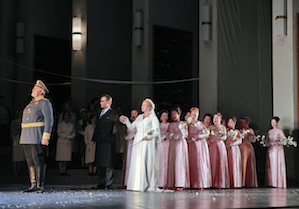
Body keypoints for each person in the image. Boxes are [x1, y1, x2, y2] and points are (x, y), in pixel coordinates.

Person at [119, 98, 161, 192]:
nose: (142, 106)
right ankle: (136, 184)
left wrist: (149, 136)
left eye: (144, 105)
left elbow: (156, 130)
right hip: (138, 139)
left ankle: (147, 184)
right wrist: (125, 120)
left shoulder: (152, 118)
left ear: (149, 107)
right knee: (137, 161)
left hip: (147, 141)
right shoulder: (139, 117)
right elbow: (131, 126)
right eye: (142, 105)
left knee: (146, 161)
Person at [19, 80, 54, 193]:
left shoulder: (45, 103)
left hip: (37, 135)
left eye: (35, 88)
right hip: (26, 136)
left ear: (41, 91)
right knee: (29, 160)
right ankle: (33, 184)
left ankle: (40, 185)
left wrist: (46, 136)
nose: (33, 89)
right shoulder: (31, 103)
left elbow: (49, 120)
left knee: (38, 160)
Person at [91, 94, 119, 189]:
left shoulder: (113, 113)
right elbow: (97, 127)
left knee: (108, 163)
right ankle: (101, 182)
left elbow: (114, 125)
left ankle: (108, 183)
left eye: (103, 101)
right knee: (100, 162)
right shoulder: (100, 112)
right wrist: (93, 139)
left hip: (108, 141)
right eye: (100, 101)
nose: (101, 103)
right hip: (100, 141)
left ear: (108, 102)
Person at [187, 107, 211, 189]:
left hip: (198, 145)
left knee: (198, 162)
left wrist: (197, 136)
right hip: (190, 144)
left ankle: (199, 183)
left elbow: (206, 134)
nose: (193, 116)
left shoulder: (200, 124)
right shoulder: (187, 123)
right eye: (192, 114)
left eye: (195, 114)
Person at [167, 107, 190, 190]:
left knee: (180, 162)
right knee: (173, 161)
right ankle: (173, 182)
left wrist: (181, 130)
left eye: (175, 114)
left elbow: (186, 135)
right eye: (172, 114)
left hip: (180, 143)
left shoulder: (183, 123)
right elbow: (168, 134)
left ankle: (180, 183)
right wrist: (170, 136)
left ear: (179, 114)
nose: (173, 115)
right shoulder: (171, 124)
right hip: (173, 143)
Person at [208, 113, 229, 188]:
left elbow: (224, 137)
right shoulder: (210, 127)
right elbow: (208, 137)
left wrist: (217, 138)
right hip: (213, 146)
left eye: (217, 118)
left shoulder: (222, 127)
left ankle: (221, 183)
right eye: (214, 118)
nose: (215, 120)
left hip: (220, 145)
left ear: (220, 119)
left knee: (221, 162)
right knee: (213, 162)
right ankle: (212, 182)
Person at [265, 117, 287, 188]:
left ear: (277, 123)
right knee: (271, 165)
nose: (273, 124)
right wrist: (267, 143)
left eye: (274, 122)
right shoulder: (270, 131)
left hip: (278, 150)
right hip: (271, 149)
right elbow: (267, 140)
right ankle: (272, 182)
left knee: (277, 164)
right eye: (272, 122)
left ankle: (278, 183)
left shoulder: (279, 131)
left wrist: (277, 141)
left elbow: (284, 141)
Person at [239, 117, 258, 188]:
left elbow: (253, 140)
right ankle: (241, 182)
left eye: (244, 122)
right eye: (242, 122)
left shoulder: (250, 130)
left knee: (247, 163)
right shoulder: (240, 130)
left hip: (247, 147)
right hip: (241, 147)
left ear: (247, 123)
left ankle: (248, 182)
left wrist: (247, 138)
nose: (243, 124)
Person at [55, 111, 76, 175]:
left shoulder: (71, 125)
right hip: (61, 142)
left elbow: (74, 133)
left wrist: (69, 137)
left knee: (66, 158)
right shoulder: (60, 124)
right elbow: (59, 133)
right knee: (60, 158)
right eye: (65, 115)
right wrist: (66, 136)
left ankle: (64, 171)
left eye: (68, 115)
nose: (67, 117)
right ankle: (61, 171)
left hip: (68, 142)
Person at [225, 117, 242, 188]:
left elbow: (240, 140)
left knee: (234, 165)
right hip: (227, 149)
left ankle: (235, 182)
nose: (230, 124)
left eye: (231, 122)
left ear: (234, 123)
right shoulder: (226, 130)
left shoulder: (236, 131)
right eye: (229, 122)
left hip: (234, 148)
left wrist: (232, 144)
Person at [124, 109, 138, 186]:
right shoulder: (129, 124)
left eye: (135, 113)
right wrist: (127, 137)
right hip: (129, 144)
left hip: (136, 143)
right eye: (132, 113)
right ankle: (128, 181)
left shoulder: (139, 123)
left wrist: (135, 136)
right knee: (129, 161)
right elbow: (126, 133)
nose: (133, 115)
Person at [157, 110, 170, 188]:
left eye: (166, 115)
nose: (165, 117)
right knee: (160, 161)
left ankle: (167, 182)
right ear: (161, 117)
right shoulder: (158, 125)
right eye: (163, 116)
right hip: (160, 143)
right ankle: (160, 182)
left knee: (167, 161)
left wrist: (167, 136)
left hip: (167, 143)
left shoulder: (169, 125)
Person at [10, 109, 25, 176]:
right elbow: (13, 130)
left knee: (21, 156)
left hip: (23, 139)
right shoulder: (14, 122)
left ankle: (18, 170)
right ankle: (15, 170)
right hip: (16, 139)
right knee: (15, 156)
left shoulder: (24, 121)